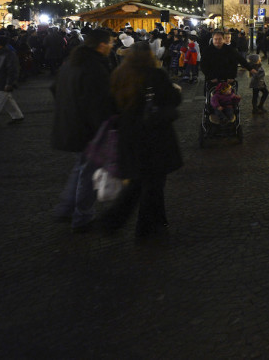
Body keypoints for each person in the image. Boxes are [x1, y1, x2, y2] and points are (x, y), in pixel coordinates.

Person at [97, 42, 183, 242]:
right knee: (152, 183)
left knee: (139, 181)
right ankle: (144, 228)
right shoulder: (155, 75)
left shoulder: (119, 75)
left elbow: (110, 106)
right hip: (154, 136)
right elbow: (172, 100)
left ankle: (127, 221)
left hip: (129, 136)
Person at [51, 28, 116, 233]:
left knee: (81, 168)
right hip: (90, 128)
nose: (112, 46)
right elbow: (98, 102)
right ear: (102, 44)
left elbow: (54, 88)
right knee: (89, 172)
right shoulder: (94, 66)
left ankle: (65, 208)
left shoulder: (72, 62)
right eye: (111, 43)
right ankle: (82, 217)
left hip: (72, 123)